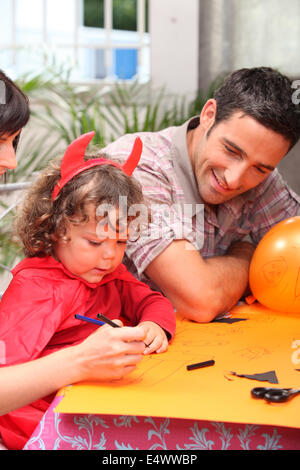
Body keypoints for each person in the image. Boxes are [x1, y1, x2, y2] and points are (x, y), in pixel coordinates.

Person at [0, 131, 175, 450]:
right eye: (95, 242)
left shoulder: (109, 273)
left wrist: (154, 325)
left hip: (106, 399)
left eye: (120, 242)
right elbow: (8, 384)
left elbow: (150, 299)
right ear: (54, 229)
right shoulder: (36, 289)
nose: (109, 255)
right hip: (47, 419)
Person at [101, 66, 300, 323]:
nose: (234, 178)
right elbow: (199, 298)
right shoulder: (135, 166)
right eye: (231, 151)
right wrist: (248, 254)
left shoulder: (262, 180)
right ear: (208, 115)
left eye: (259, 168)